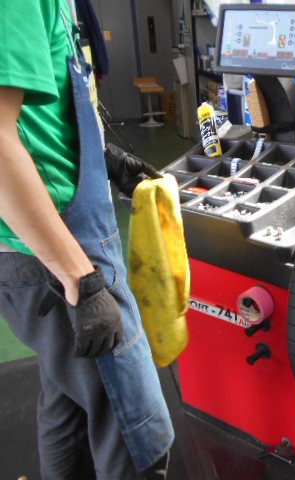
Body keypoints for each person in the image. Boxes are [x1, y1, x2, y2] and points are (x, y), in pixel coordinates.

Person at [0, 1, 174, 478]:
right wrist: (82, 280)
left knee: (68, 402)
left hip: (51, 243)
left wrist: (101, 156)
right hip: (55, 250)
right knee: (137, 431)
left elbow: (40, 116)